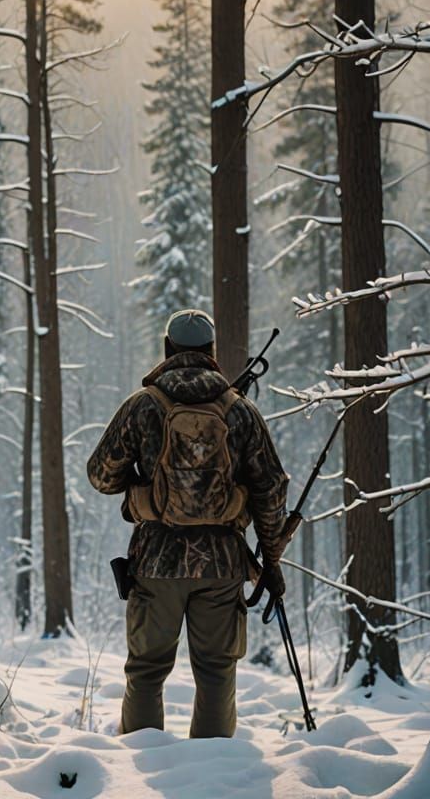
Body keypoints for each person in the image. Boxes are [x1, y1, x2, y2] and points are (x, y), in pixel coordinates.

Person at [87, 309, 288, 739]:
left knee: (145, 672)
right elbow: (271, 487)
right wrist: (270, 558)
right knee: (216, 673)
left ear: (168, 350)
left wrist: (141, 488)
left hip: (155, 563)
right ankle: (211, 779)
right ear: (212, 353)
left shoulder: (143, 406)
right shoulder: (240, 410)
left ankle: (136, 774)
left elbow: (101, 476)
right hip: (221, 565)